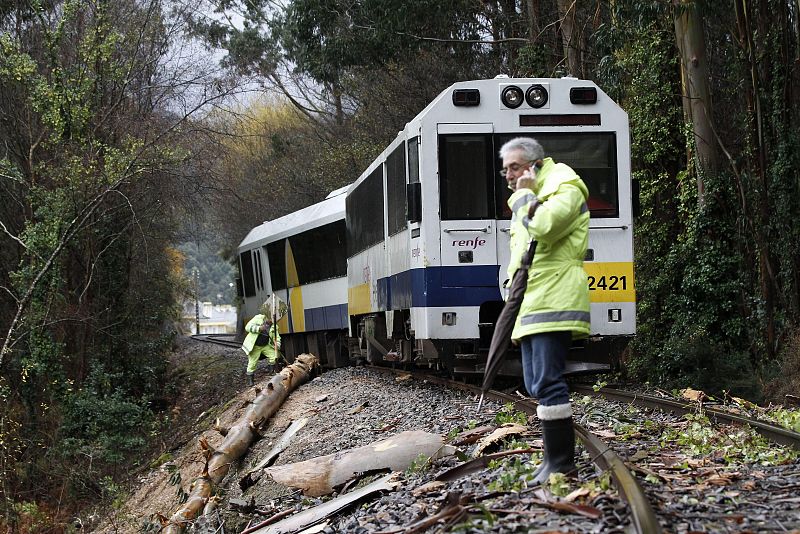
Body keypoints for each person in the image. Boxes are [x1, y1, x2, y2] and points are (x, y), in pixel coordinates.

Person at [499, 137, 590, 483]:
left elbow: (546, 228)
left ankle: (562, 463)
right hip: (533, 301)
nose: (509, 175)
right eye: (505, 170)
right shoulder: (534, 191)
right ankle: (552, 460)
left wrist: (524, 197)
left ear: (535, 165)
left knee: (548, 381)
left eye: (514, 167)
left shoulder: (565, 185)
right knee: (535, 383)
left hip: (555, 297)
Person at [241, 299, 281, 386]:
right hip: (255, 345)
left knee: (274, 356)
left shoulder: (274, 326)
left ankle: (271, 372)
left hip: (266, 345)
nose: (272, 319)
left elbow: (277, 337)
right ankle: (250, 381)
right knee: (252, 363)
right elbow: (247, 327)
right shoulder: (258, 318)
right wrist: (259, 328)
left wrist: (277, 344)